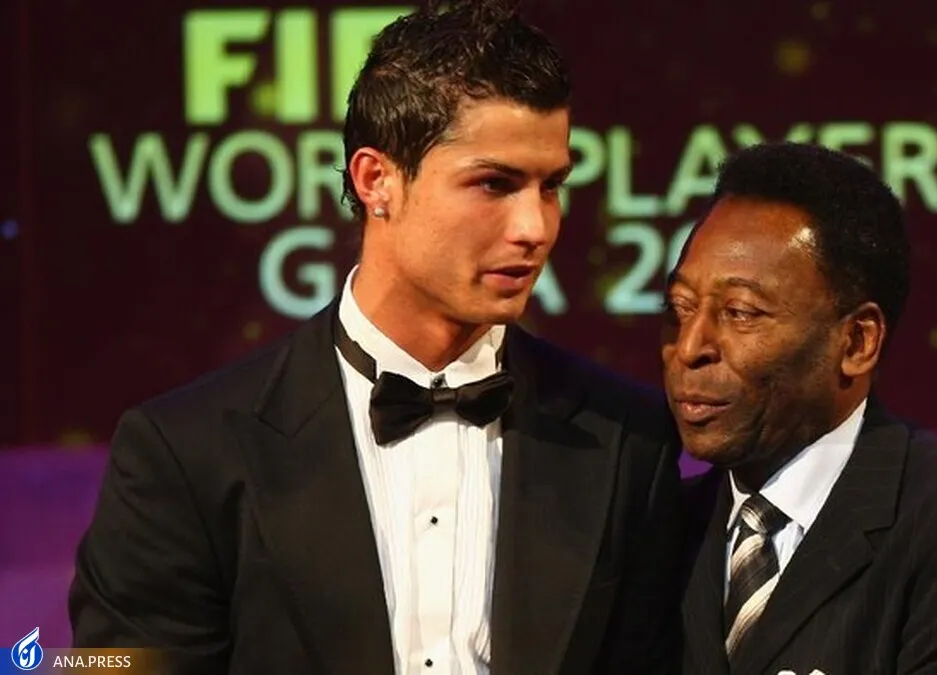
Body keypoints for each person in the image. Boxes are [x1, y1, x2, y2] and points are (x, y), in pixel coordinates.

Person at [68, 2, 682, 674]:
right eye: (494, 184)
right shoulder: (186, 453)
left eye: (551, 186)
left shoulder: (627, 440)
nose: (534, 227)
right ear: (376, 180)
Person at [663, 142, 937, 675]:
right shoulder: (657, 528)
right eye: (680, 308)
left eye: (741, 312)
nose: (689, 347)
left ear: (857, 342)